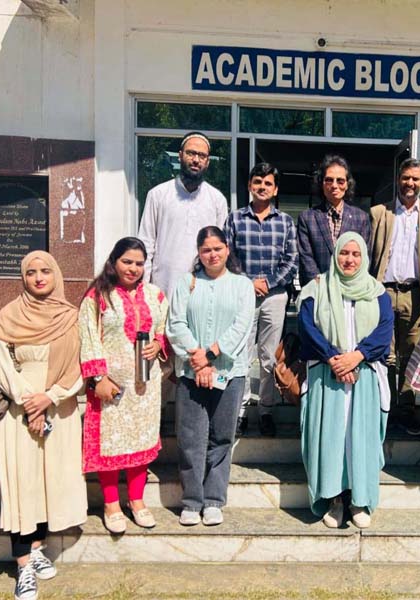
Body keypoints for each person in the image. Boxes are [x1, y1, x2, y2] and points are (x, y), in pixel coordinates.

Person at [0, 251, 87, 600]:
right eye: (31, 272)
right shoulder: (9, 315)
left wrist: (50, 397)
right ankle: (23, 565)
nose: (39, 277)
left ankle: (39, 547)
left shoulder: (71, 317)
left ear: (56, 274)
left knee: (47, 482)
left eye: (45, 271)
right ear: (23, 277)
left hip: (59, 410)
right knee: (22, 485)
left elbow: (80, 367)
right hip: (19, 411)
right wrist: (30, 400)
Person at [298, 232, 393, 529]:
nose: (349, 260)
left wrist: (357, 356)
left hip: (364, 376)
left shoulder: (376, 291)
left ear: (363, 257)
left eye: (355, 254)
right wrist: (334, 359)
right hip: (327, 376)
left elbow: (384, 330)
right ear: (335, 255)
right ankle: (335, 498)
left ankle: (359, 498)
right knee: (332, 436)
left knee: (359, 438)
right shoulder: (317, 288)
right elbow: (307, 326)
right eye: (344, 253)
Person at [78, 237, 168, 534]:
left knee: (140, 441)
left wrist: (158, 344)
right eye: (127, 262)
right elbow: (88, 338)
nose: (133, 268)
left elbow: (164, 330)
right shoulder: (97, 296)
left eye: (139, 263)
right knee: (111, 444)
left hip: (145, 386)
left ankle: (137, 501)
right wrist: (97, 378)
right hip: (111, 386)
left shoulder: (155, 295)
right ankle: (111, 503)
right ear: (114, 262)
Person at [167, 226, 255, 526]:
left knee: (221, 436)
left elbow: (242, 327)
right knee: (191, 438)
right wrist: (199, 360)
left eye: (217, 248)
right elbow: (175, 323)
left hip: (230, 373)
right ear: (199, 253)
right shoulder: (187, 283)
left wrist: (212, 355)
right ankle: (192, 500)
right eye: (206, 250)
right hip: (192, 373)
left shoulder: (242, 285)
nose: (212, 254)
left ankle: (214, 499)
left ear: (227, 249)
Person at [369, 157, 420, 436]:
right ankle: (385, 408)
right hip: (384, 291)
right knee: (385, 354)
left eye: (415, 179)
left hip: (415, 295)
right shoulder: (379, 213)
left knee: (412, 353)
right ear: (398, 179)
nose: (409, 183)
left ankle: (406, 410)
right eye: (405, 177)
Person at [226, 162, 298, 437]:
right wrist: (248, 282)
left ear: (275, 189)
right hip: (243, 296)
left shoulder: (285, 222)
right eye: (258, 182)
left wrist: (267, 283)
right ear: (249, 186)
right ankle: (241, 411)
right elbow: (227, 257)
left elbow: (292, 261)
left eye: (268, 183)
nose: (262, 187)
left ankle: (266, 410)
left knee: (268, 357)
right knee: (241, 355)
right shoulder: (235, 219)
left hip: (275, 297)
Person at [138, 130, 229, 298]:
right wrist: (144, 290)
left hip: (203, 288)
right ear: (180, 155)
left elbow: (220, 250)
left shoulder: (217, 200)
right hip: (162, 288)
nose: (196, 160)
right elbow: (146, 243)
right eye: (191, 153)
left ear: (207, 162)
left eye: (201, 156)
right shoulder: (158, 195)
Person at [297, 154, 371, 286]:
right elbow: (306, 257)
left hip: (350, 289)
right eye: (329, 180)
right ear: (322, 183)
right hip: (317, 289)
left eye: (340, 181)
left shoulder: (361, 218)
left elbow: (365, 256)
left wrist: (349, 284)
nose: (334, 185)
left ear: (347, 184)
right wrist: (321, 285)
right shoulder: (307, 217)